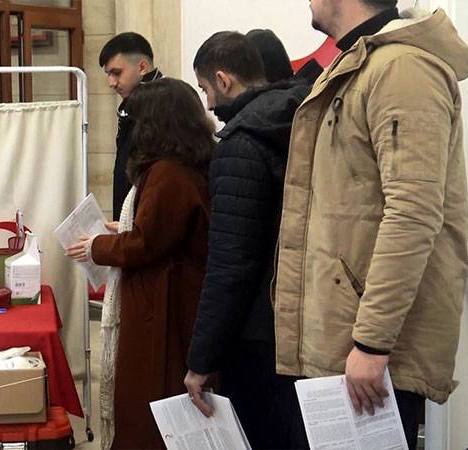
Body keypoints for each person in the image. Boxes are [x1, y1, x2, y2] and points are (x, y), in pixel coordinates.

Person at [274, 1, 468, 449]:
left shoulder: (403, 69)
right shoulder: (361, 64)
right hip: (343, 340)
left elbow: (414, 212)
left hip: (366, 350)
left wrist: (371, 343)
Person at [66, 78, 213, 450]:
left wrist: (100, 246)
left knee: (149, 406)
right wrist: (122, 228)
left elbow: (146, 242)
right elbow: (157, 229)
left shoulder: (167, 173)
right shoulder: (183, 165)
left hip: (161, 308)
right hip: (166, 299)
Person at [182, 31, 311, 449]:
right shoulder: (305, 118)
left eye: (204, 89)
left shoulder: (241, 144)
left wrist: (201, 360)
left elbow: (230, 265)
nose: (206, 104)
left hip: (257, 333)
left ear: (223, 80)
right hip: (305, 321)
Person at [98, 32, 164, 221]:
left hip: (149, 220)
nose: (111, 83)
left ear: (142, 67)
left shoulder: (167, 101)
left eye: (116, 73)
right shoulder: (133, 101)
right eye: (108, 74)